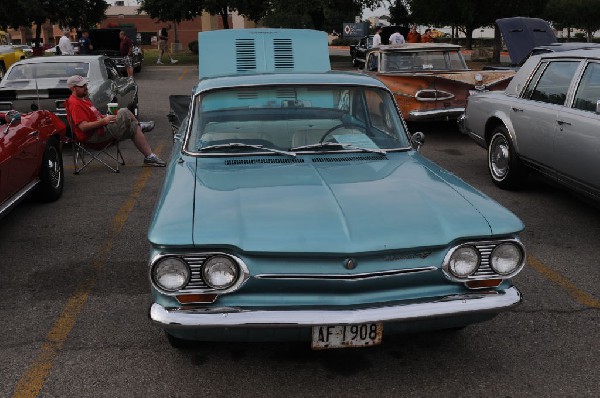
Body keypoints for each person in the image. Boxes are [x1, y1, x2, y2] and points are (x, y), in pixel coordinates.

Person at [65, 75, 165, 167]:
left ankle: (150, 157)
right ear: (73, 88)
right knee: (124, 111)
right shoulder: (75, 104)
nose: (85, 87)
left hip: (100, 130)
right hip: (93, 137)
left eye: (85, 84)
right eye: (82, 86)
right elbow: (83, 127)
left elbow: (93, 117)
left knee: (133, 128)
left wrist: (105, 117)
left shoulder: (83, 100)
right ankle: (140, 125)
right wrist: (104, 121)